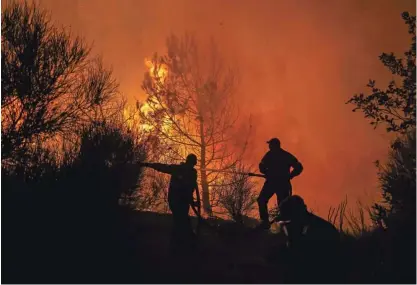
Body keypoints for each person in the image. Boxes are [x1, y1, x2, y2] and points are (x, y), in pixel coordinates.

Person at [140, 154, 201, 253]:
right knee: (181, 222)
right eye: (191, 164)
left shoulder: (191, 173)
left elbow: (189, 190)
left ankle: (181, 246)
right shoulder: (179, 169)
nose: (191, 166)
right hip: (176, 201)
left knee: (181, 223)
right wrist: (147, 164)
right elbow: (162, 167)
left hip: (182, 202)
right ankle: (182, 247)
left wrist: (193, 203)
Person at [275, 195, 341, 283]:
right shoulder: (309, 226)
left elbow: (304, 258)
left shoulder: (319, 230)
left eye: (288, 221)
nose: (287, 225)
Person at [257, 138, 303, 229]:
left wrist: (290, 176)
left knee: (283, 206)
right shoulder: (274, 155)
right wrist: (266, 172)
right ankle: (265, 223)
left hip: (281, 184)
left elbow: (298, 167)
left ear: (275, 145)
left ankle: (285, 227)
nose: (269, 146)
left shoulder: (280, 155)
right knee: (262, 200)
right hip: (274, 183)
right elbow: (261, 165)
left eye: (270, 145)